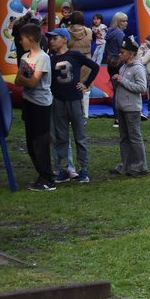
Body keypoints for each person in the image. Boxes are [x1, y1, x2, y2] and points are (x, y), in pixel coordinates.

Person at [47, 28, 98, 184]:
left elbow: (94, 67)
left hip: (74, 100)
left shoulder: (74, 55)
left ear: (64, 39)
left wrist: (86, 84)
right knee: (61, 137)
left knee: (79, 137)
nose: (51, 41)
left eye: (54, 38)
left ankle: (83, 169)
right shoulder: (50, 59)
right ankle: (63, 169)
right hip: (59, 101)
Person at [15, 24, 56, 191]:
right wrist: (25, 79)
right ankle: (41, 174)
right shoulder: (25, 57)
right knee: (31, 143)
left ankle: (48, 178)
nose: (20, 41)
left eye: (22, 38)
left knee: (40, 142)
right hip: (28, 102)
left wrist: (25, 78)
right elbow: (17, 81)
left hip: (41, 104)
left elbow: (31, 81)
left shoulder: (43, 58)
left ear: (30, 39)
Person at [111, 36, 149, 177]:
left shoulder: (138, 69)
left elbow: (142, 87)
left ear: (131, 54)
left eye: (123, 52)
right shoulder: (123, 67)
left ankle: (140, 166)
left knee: (134, 138)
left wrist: (123, 81)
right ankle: (126, 164)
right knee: (124, 138)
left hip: (132, 108)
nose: (120, 54)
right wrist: (117, 81)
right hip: (122, 107)